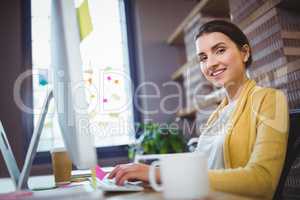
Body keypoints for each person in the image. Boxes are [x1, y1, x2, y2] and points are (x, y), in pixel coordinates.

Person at [108, 20, 289, 199]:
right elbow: (200, 167)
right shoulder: (218, 113)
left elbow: (263, 181)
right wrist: (152, 172)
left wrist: (161, 175)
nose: (210, 64)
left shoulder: (270, 99)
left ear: (245, 52)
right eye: (203, 58)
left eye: (220, 50)